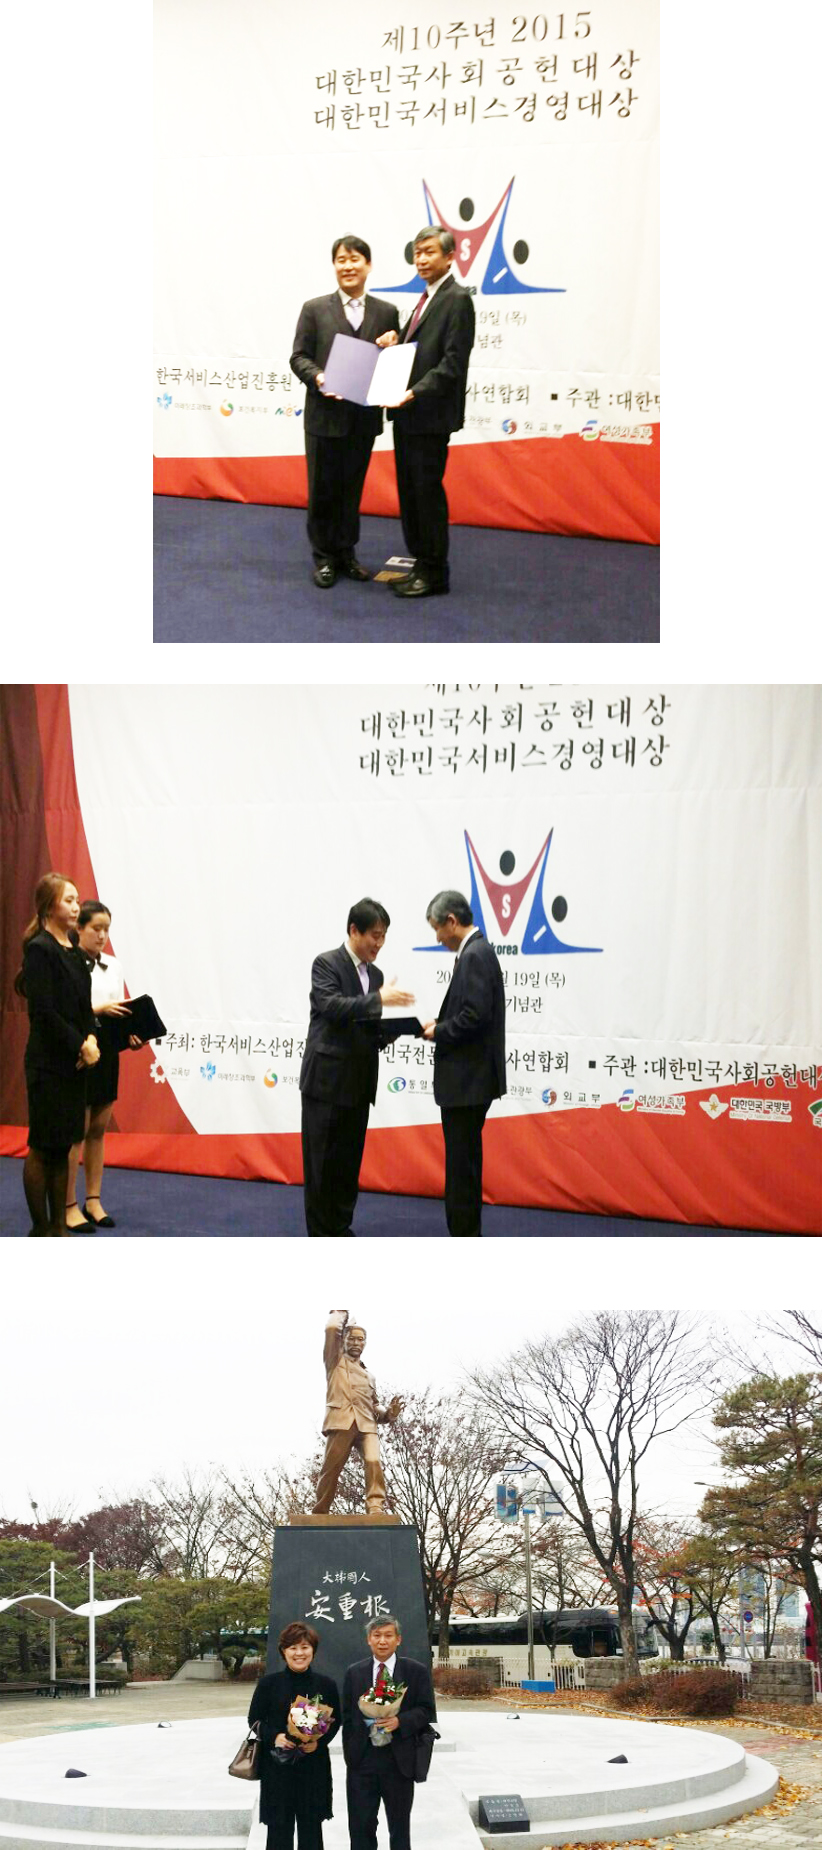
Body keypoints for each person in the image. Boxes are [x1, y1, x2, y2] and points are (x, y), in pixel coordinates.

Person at [299, 899, 414, 1236]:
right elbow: (333, 1007)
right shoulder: (326, 964)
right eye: (375, 935)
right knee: (322, 1166)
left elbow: (365, 1028)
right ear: (354, 930)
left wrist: (394, 1030)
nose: (380, 943)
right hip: (326, 1084)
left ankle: (341, 1228)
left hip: (359, 1084)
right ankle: (320, 1234)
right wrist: (379, 999)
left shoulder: (375, 975)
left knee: (347, 1166)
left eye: (384, 936)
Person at [291, 237, 400, 588]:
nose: (348, 266)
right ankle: (324, 558)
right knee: (322, 489)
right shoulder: (314, 309)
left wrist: (393, 347)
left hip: (362, 419)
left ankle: (347, 554)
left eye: (355, 259)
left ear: (368, 265)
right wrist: (318, 377)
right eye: (341, 259)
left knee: (352, 491)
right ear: (334, 266)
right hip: (324, 417)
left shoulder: (386, 312)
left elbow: (393, 362)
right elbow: (299, 357)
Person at [379, 226, 475, 599]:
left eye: (429, 252)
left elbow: (453, 364)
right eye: (417, 253)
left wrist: (414, 392)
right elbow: (415, 352)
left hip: (428, 416)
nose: (421, 259)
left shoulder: (457, 299)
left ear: (450, 257)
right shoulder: (427, 297)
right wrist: (395, 340)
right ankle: (421, 564)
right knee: (411, 494)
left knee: (426, 494)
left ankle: (435, 573)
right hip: (408, 414)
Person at [14, 873, 100, 1237]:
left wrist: (91, 1038)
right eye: (69, 900)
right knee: (43, 1147)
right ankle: (41, 1228)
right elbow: (45, 1013)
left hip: (73, 1065)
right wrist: (81, 1045)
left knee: (64, 1145)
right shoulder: (40, 949)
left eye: (77, 899)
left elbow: (84, 1009)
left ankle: (58, 1227)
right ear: (50, 906)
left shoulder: (75, 951)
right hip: (48, 1064)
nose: (76, 906)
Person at [421, 890, 506, 1236]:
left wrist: (438, 1031)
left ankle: (464, 1235)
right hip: (470, 1082)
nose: (438, 938)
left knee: (461, 1170)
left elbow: (474, 1017)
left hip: (467, 1083)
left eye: (437, 929)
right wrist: (441, 1025)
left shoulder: (474, 956)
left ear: (452, 922)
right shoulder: (477, 952)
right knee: (464, 1166)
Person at [66, 900, 142, 1231]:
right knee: (77, 1132)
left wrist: (132, 1034)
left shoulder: (114, 964)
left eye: (106, 929)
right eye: (96, 928)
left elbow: (119, 1009)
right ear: (79, 928)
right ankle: (68, 1203)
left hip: (108, 1050)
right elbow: (66, 1010)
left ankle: (93, 1200)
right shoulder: (67, 961)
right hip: (80, 1049)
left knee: (98, 1128)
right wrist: (100, 1010)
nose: (101, 935)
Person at [343, 1614, 436, 1850]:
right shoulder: (355, 1672)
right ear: (369, 1639)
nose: (382, 1641)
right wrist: (351, 1754)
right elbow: (348, 1716)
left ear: (398, 1639)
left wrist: (400, 1721)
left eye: (388, 1635)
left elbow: (426, 1710)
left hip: (399, 1761)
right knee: (361, 1826)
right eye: (377, 1635)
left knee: (399, 1827)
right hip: (362, 1761)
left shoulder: (416, 1671)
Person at [248, 1621, 341, 1850]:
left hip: (313, 1767)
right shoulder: (269, 1684)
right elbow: (254, 1720)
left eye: (305, 1647)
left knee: (311, 1832)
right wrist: (275, 1737)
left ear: (313, 1650)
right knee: (278, 1832)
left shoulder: (326, 1685)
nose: (299, 1653)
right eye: (293, 1648)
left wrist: (319, 1742)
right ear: (283, 1651)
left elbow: (336, 1720)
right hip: (278, 1767)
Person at [312, 1310, 402, 1515]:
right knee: (331, 1469)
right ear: (343, 1340)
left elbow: (374, 1405)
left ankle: (375, 1506)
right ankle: (321, 1510)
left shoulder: (369, 1375)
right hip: (342, 1421)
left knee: (373, 1462)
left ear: (365, 1343)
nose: (356, 1343)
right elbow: (332, 1328)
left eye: (360, 1339)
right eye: (351, 1338)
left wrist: (389, 1413)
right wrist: (340, 1311)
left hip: (367, 1425)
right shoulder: (335, 1361)